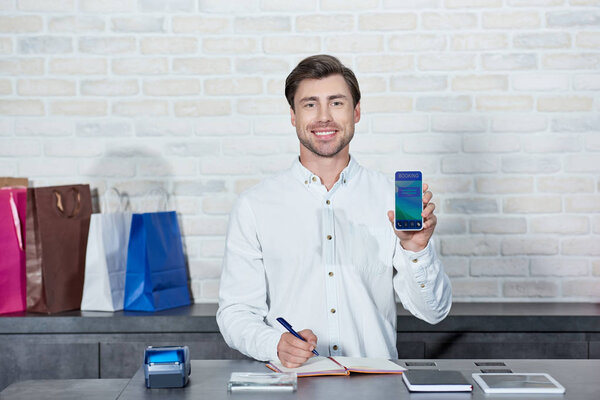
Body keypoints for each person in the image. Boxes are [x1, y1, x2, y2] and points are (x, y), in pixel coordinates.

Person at [216, 54, 452, 368]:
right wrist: (274, 344)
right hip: (295, 384)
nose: (323, 117)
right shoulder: (254, 205)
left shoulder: (391, 198)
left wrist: (416, 250)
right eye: (310, 104)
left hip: (376, 386)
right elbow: (235, 312)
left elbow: (433, 312)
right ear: (293, 115)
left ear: (356, 112)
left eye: (336, 103)